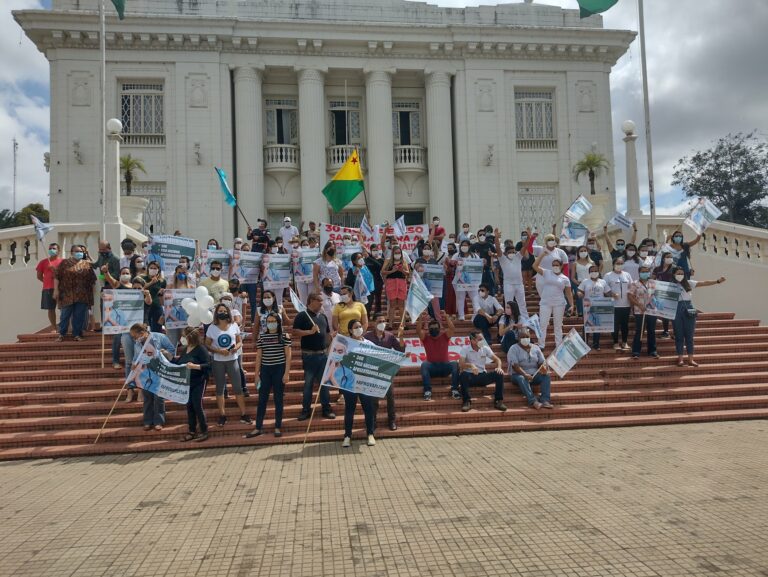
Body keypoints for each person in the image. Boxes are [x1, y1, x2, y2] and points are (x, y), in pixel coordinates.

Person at [244, 312, 292, 438]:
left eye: (273, 321)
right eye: (269, 321)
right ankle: (258, 427)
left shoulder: (284, 336)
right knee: (262, 400)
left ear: (278, 322)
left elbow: (288, 355)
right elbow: (259, 356)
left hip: (279, 370)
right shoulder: (262, 337)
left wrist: (286, 373)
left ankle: (277, 426)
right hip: (265, 371)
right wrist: (256, 375)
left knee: (278, 399)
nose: (271, 323)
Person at [205, 303, 252, 427]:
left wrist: (235, 349)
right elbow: (207, 344)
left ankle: (243, 414)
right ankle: (222, 415)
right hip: (218, 361)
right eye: (219, 310)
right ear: (216, 313)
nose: (222, 312)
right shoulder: (211, 328)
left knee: (237, 388)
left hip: (232, 359)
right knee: (220, 389)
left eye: (224, 310)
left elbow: (239, 342)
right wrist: (218, 351)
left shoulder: (234, 325)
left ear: (228, 312)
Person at [293, 292, 336, 421]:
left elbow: (327, 333)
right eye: (319, 300)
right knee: (308, 384)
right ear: (311, 301)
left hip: (323, 355)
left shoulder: (322, 316)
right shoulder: (302, 315)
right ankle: (306, 410)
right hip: (309, 356)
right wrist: (309, 332)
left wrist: (330, 345)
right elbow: (295, 332)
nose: (322, 303)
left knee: (324, 384)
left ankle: (326, 409)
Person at [672, 267, 726, 367]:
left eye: (682, 273)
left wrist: (717, 281)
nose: (680, 275)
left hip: (689, 308)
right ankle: (680, 359)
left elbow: (704, 283)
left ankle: (691, 359)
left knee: (690, 335)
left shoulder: (688, 283)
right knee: (679, 336)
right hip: (676, 309)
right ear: (674, 274)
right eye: (678, 273)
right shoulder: (669, 285)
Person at [129, 323, 174, 431]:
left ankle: (159, 421)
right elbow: (136, 357)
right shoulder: (137, 343)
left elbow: (172, 350)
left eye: (135, 336)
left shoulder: (160, 337)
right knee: (147, 397)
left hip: (159, 371)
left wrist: (164, 353)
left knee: (158, 397)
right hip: (145, 372)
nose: (135, 338)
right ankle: (147, 421)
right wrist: (134, 363)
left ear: (142, 333)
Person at [340, 320, 378, 447]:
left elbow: (381, 358)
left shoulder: (369, 344)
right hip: (349, 383)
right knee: (349, 410)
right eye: (356, 327)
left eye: (360, 326)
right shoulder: (345, 343)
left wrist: (401, 357)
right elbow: (334, 357)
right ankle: (347, 436)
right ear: (350, 330)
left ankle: (370, 434)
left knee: (368, 409)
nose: (359, 329)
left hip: (365, 383)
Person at [364, 312, 404, 431]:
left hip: (386, 372)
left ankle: (392, 421)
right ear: (373, 323)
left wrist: (401, 336)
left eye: (383, 321)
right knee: (374, 400)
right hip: (373, 372)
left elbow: (400, 350)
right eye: (379, 321)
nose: (382, 323)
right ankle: (373, 421)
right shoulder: (367, 337)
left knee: (390, 397)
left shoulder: (390, 336)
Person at [174, 327, 211, 442]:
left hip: (199, 380)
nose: (182, 338)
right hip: (187, 382)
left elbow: (209, 365)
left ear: (190, 336)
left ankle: (204, 430)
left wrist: (195, 366)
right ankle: (192, 431)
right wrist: (167, 357)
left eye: (184, 336)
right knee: (189, 406)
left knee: (197, 405)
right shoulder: (185, 349)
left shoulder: (201, 349)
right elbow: (179, 362)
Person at [532, 250, 575, 350]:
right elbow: (534, 266)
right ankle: (541, 344)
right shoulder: (547, 272)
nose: (555, 266)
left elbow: (568, 293)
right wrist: (542, 254)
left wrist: (572, 304)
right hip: (545, 303)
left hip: (559, 303)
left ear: (561, 266)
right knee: (542, 324)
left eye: (557, 265)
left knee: (558, 325)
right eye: (553, 265)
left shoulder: (565, 278)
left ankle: (558, 345)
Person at [53, 244, 96, 342]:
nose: (79, 253)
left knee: (79, 316)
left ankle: (77, 334)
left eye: (81, 251)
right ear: (72, 252)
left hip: (82, 295)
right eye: (76, 251)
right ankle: (61, 334)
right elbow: (56, 276)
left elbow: (92, 279)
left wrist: (91, 293)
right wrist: (56, 290)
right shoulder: (64, 263)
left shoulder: (86, 264)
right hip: (67, 294)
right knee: (65, 315)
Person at [458, 331, 506, 412]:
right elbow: (461, 364)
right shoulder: (465, 349)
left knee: (499, 374)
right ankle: (466, 401)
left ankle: (498, 401)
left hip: (482, 376)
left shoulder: (485, 348)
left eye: (482, 339)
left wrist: (499, 367)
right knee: (463, 375)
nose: (482, 341)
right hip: (470, 377)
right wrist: (471, 366)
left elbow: (497, 359)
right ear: (472, 341)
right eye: (480, 339)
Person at [507, 328, 552, 409]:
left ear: (530, 337)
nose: (525, 339)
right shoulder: (513, 348)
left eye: (527, 337)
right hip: (518, 375)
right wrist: (525, 374)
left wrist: (544, 367)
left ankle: (545, 400)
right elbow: (515, 366)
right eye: (523, 337)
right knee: (521, 378)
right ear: (518, 338)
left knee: (546, 376)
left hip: (534, 374)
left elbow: (542, 361)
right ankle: (533, 401)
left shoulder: (536, 348)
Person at [418, 312, 460, 400]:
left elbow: (452, 328)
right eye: (432, 328)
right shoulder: (426, 338)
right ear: (428, 329)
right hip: (432, 368)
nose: (434, 330)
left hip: (445, 367)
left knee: (455, 364)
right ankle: (427, 391)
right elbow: (418, 331)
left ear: (439, 328)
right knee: (424, 365)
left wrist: (446, 316)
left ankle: (455, 390)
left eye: (436, 328)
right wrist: (421, 318)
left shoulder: (444, 336)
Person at [577, 264, 613, 350]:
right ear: (589, 273)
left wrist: (613, 295)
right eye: (592, 271)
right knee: (587, 325)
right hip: (588, 306)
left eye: (596, 271)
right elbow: (580, 291)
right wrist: (579, 294)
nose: (594, 272)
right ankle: (584, 343)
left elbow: (608, 292)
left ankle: (596, 344)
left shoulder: (603, 282)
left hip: (599, 306)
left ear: (598, 272)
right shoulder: (585, 281)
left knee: (597, 325)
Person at [494, 230, 529, 319]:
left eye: (513, 252)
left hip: (519, 284)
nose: (512, 254)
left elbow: (525, 247)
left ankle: (525, 322)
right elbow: (497, 248)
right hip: (508, 284)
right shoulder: (503, 259)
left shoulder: (518, 257)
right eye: (510, 252)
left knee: (522, 304)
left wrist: (529, 237)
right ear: (505, 253)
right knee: (508, 304)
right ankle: (508, 320)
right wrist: (496, 237)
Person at [628, 265, 659, 360]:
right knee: (639, 331)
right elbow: (630, 296)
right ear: (639, 273)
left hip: (652, 311)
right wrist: (639, 305)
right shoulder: (634, 283)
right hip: (639, 311)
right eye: (643, 271)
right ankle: (636, 351)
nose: (645, 273)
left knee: (651, 331)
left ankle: (652, 351)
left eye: (646, 271)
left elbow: (658, 295)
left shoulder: (653, 283)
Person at [603, 257, 633, 352]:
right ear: (613, 264)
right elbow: (604, 289)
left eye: (621, 263)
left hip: (626, 305)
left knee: (625, 325)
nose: (619, 265)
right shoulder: (608, 275)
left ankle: (624, 342)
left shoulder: (627, 275)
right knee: (615, 325)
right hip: (614, 305)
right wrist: (611, 294)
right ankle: (615, 342)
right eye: (617, 263)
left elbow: (631, 287)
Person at [36, 241, 62, 333]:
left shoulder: (63, 262)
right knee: (51, 309)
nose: (51, 250)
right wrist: (46, 281)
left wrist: (54, 270)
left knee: (63, 308)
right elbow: (39, 276)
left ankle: (64, 326)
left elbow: (65, 274)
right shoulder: (43, 262)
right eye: (50, 249)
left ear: (58, 250)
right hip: (47, 289)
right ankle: (54, 327)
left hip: (61, 288)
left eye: (54, 248)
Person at [381, 245, 410, 326]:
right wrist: (392, 271)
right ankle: (390, 324)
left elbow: (408, 273)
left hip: (401, 283)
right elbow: (382, 272)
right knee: (392, 304)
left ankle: (403, 324)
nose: (397, 254)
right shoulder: (387, 261)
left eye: (399, 253)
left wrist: (402, 270)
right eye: (396, 253)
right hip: (391, 283)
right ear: (392, 253)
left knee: (401, 304)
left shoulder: (404, 261)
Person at [452, 240, 479, 321]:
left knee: (474, 298)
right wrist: (453, 262)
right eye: (462, 245)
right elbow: (451, 262)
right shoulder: (457, 255)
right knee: (460, 298)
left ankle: (476, 315)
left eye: (466, 245)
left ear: (469, 246)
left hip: (472, 281)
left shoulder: (474, 256)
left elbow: (479, 265)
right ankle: (461, 316)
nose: (464, 247)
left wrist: (483, 262)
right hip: (460, 280)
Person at [653, 251, 676, 338]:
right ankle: (666, 331)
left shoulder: (674, 268)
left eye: (671, 257)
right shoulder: (657, 269)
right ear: (663, 258)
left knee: (672, 312)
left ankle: (675, 332)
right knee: (664, 313)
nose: (670, 258)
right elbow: (652, 279)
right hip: (660, 293)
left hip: (671, 293)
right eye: (668, 257)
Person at [140, 260, 166, 332]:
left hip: (157, 307)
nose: (153, 270)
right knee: (145, 329)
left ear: (158, 270)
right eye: (151, 268)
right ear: (148, 269)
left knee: (157, 329)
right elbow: (139, 289)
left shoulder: (162, 281)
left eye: (155, 268)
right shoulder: (142, 278)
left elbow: (163, 295)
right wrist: (151, 282)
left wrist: (162, 293)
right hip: (145, 307)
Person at [470, 228, 497, 296]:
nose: (482, 236)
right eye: (480, 235)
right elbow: (469, 258)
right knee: (478, 287)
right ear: (477, 236)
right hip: (477, 271)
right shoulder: (473, 246)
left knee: (491, 287)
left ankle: (492, 298)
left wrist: (492, 254)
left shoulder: (490, 245)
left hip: (488, 269)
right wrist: (476, 257)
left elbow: (497, 255)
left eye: (483, 234)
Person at [570, 245, 595, 316]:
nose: (583, 252)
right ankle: (580, 314)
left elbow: (596, 274)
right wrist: (579, 284)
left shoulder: (592, 263)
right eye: (581, 251)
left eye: (585, 251)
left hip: (591, 286)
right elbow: (572, 278)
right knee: (581, 306)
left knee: (591, 306)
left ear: (587, 252)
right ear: (578, 253)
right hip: (580, 287)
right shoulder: (575, 263)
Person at [364, 243, 384, 316]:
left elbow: (379, 266)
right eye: (373, 250)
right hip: (369, 282)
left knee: (378, 299)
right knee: (369, 299)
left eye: (376, 250)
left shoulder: (381, 259)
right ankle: (367, 315)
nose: (375, 251)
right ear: (371, 251)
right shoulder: (366, 260)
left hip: (378, 281)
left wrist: (369, 258)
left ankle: (377, 314)